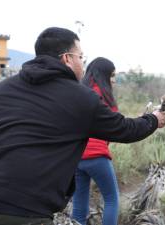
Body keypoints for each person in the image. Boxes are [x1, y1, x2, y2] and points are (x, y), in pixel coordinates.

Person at [0, 27, 165, 225]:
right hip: (27, 213)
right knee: (111, 198)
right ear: (67, 58)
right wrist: (154, 119)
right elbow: (125, 129)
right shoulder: (80, 97)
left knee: (80, 205)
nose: (83, 64)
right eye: (81, 57)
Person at [71, 57, 120, 225]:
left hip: (77, 157)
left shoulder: (79, 92)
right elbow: (116, 127)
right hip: (97, 155)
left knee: (78, 205)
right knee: (112, 199)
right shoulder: (103, 95)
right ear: (104, 74)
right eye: (112, 75)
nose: (113, 80)